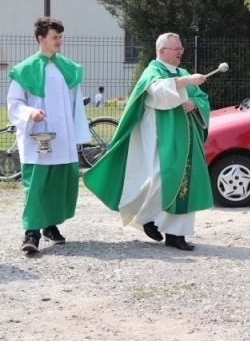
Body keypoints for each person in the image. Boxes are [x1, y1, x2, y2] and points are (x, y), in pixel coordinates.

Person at [83, 33, 212, 251]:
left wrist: (195, 104)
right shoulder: (153, 71)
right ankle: (147, 219)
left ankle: (176, 234)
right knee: (161, 179)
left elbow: (202, 98)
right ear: (162, 51)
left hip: (186, 139)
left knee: (183, 183)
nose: (181, 52)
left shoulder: (182, 72)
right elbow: (160, 92)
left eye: (181, 48)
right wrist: (187, 82)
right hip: (160, 139)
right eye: (176, 48)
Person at [8, 17, 91, 254]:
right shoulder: (24, 70)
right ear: (40, 38)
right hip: (37, 137)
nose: (59, 41)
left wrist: (77, 133)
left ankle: (50, 226)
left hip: (63, 138)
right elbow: (14, 104)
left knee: (58, 183)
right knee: (35, 184)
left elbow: (76, 105)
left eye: (60, 37)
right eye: (55, 37)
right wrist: (30, 112)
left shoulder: (69, 69)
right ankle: (31, 232)